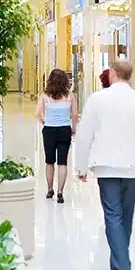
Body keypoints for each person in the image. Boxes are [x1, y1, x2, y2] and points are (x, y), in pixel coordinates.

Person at [75, 59, 135, 270]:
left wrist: (81, 166)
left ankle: (121, 265)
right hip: (133, 168)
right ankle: (120, 263)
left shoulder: (97, 100)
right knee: (125, 217)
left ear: (112, 73)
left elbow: (84, 135)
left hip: (106, 166)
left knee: (113, 215)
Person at [35, 68, 77, 204]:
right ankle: (60, 192)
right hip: (65, 130)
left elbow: (37, 113)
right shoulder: (70, 96)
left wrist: (45, 122)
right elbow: (75, 115)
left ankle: (49, 189)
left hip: (49, 131)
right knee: (62, 162)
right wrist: (74, 128)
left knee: (49, 161)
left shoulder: (44, 96)